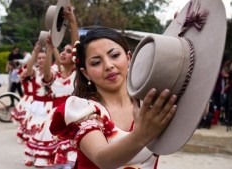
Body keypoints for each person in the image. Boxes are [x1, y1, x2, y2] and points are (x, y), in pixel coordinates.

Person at [49, 27, 177, 168]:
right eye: (96, 63)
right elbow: (103, 159)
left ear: (129, 58)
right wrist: (141, 135)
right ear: (86, 73)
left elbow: (195, 109)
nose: (109, 66)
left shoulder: (150, 103)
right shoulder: (83, 110)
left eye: (115, 55)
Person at [25, 4, 79, 168]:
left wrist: (72, 22)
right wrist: (49, 50)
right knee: (55, 162)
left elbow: (78, 46)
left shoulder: (79, 75)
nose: (63, 53)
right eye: (62, 51)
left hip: (75, 119)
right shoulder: (54, 73)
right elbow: (46, 75)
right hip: (55, 119)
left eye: (68, 51)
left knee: (73, 160)